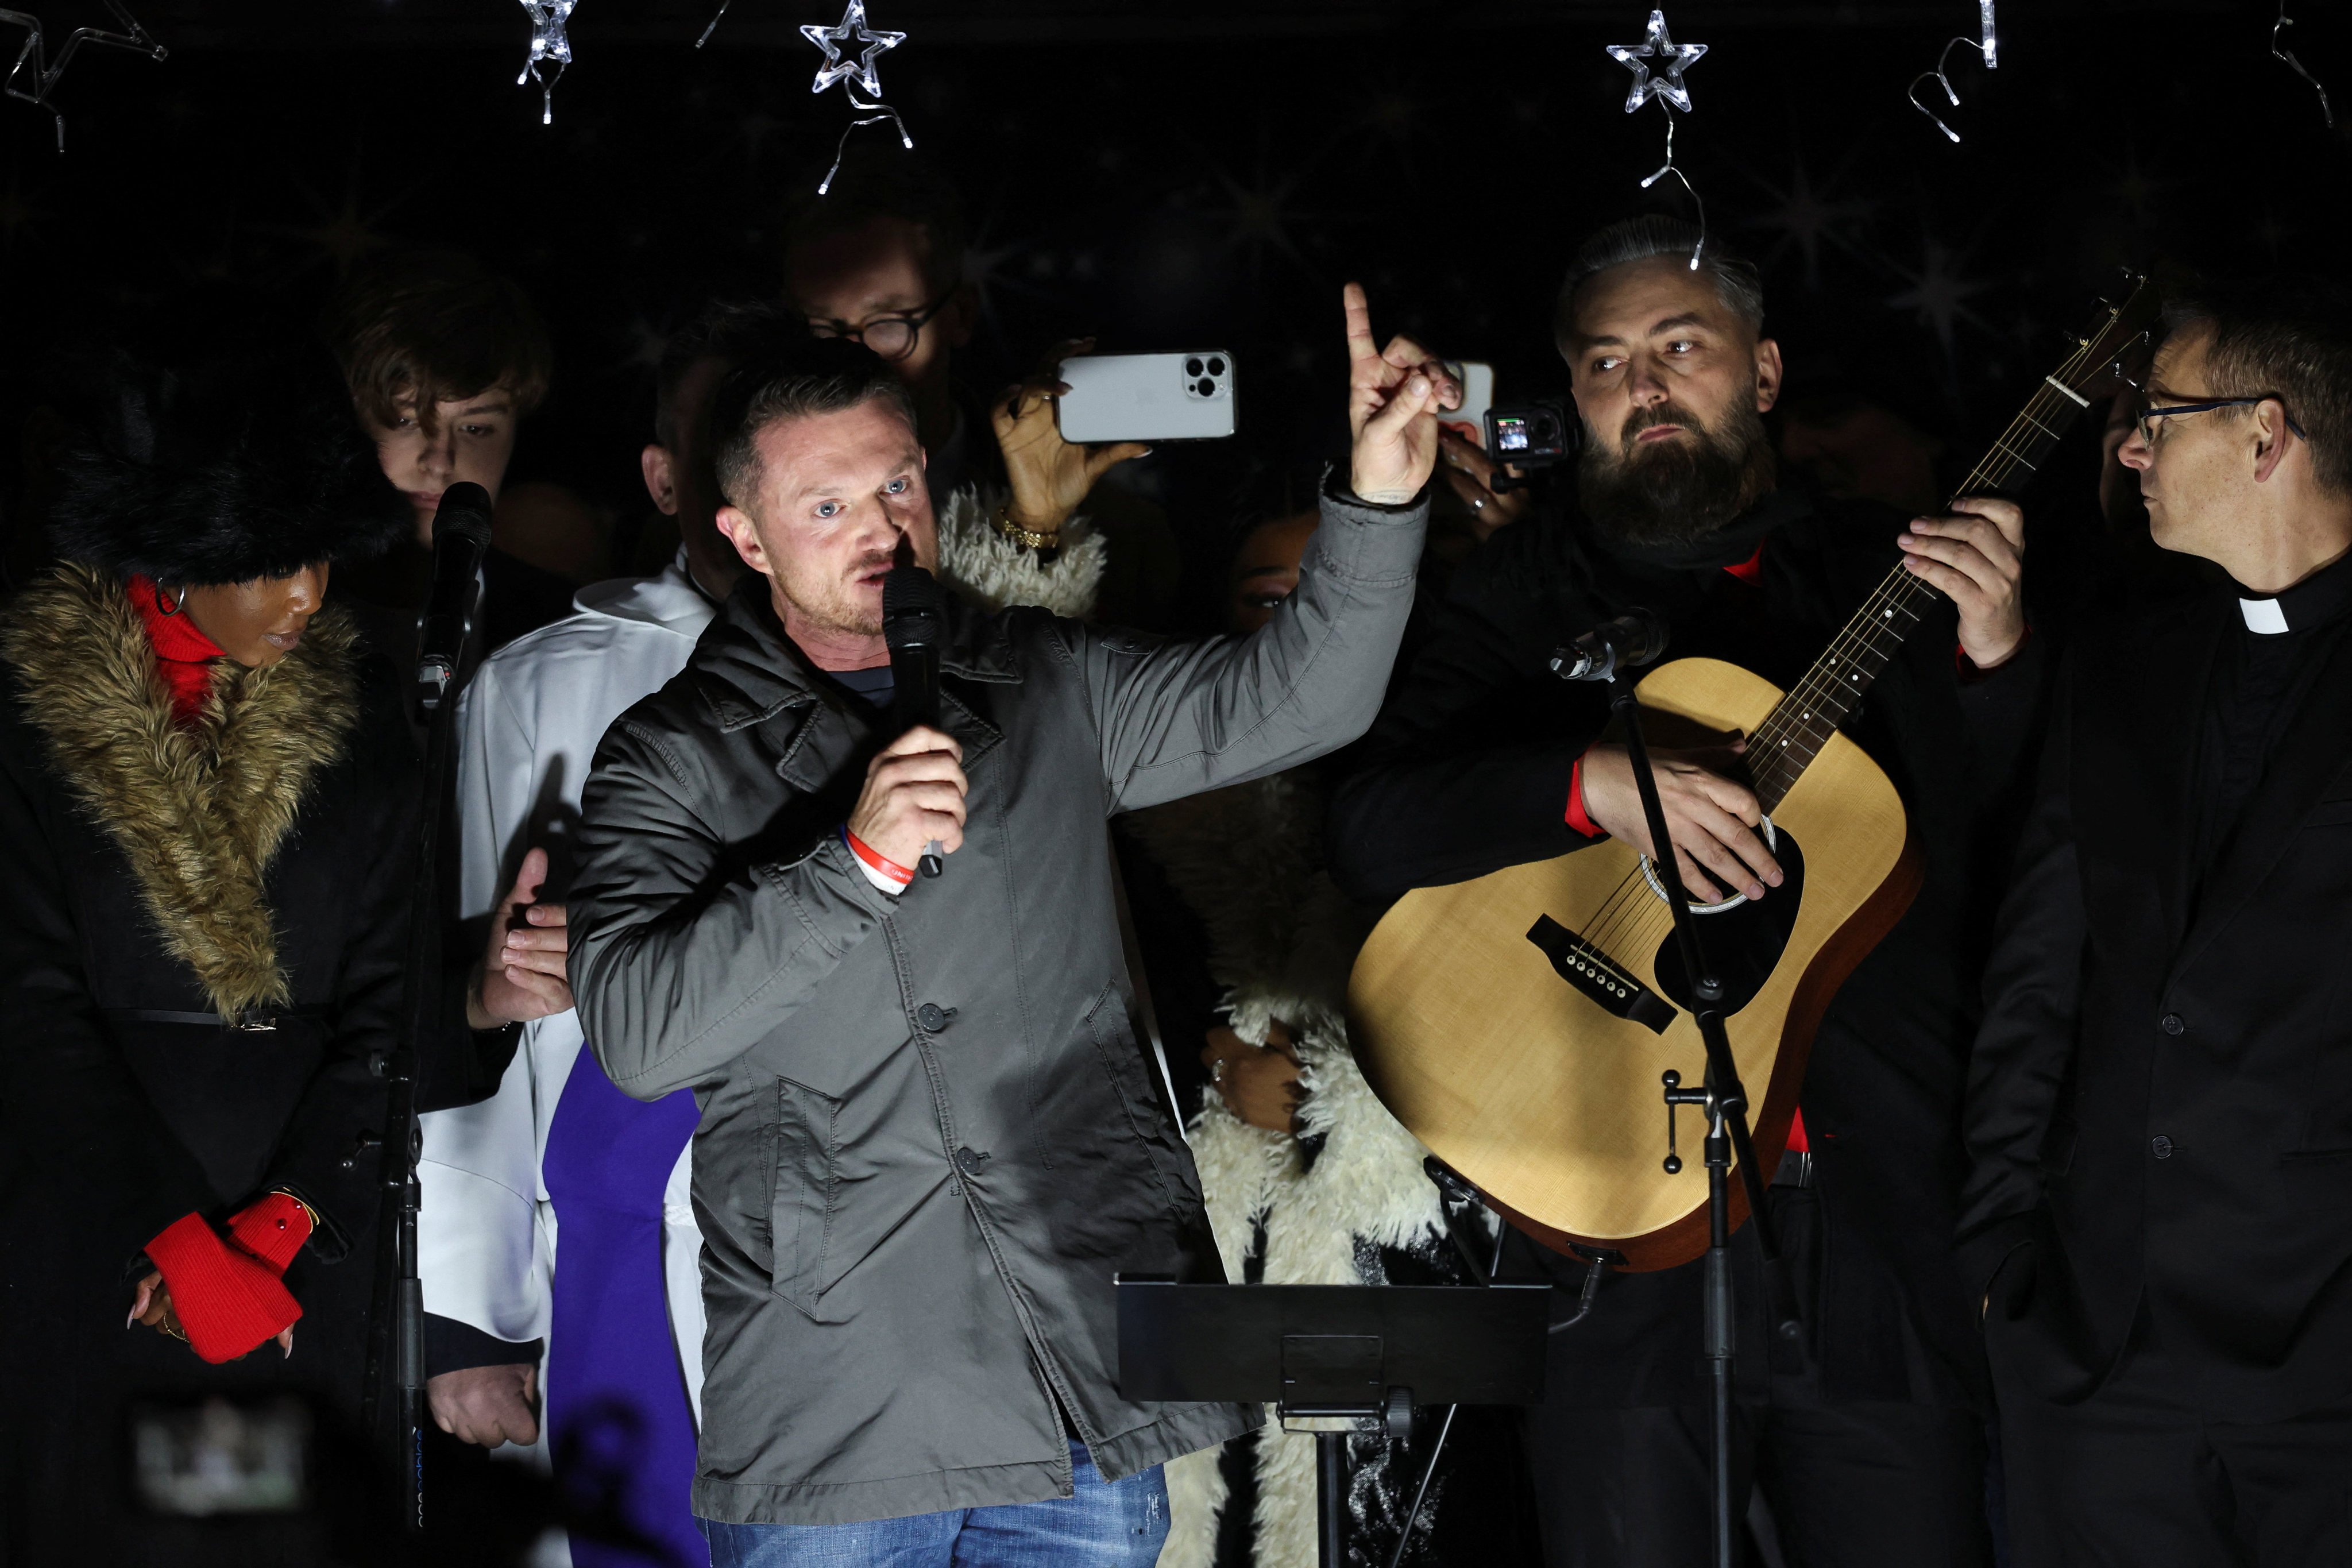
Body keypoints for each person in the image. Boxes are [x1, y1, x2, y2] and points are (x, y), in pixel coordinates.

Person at [565, 285, 1449, 1558]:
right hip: (843, 1394)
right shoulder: (670, 758)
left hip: (1071, 1372)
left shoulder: (1043, 681)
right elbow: (642, 1038)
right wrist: (850, 864)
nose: (879, 531)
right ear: (744, 537)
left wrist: (1373, 507)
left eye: (899, 489)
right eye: (826, 508)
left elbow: (1295, 701)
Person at [1326, 216, 2046, 1568]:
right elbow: (1366, 826)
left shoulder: (1890, 568)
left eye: (1679, 346)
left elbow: (2021, 855)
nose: (1644, 385)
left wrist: (1999, 667)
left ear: (1763, 375)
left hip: (1876, 1225)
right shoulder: (1510, 596)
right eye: (1606, 363)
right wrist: (1583, 782)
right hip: (1606, 1215)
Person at [416, 298, 1118, 1566]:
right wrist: (470, 1309)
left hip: (893, 1231)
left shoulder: (949, 651)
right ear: (689, 481)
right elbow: (482, 990)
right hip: (634, 1185)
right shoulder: (552, 678)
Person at [0, 326, 415, 1565]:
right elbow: (24, 1005)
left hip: (297, 1231)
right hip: (89, 1221)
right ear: (181, 551)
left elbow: (392, 1005)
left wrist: (278, 1227)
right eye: (278, 561)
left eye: (326, 558)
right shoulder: (22, 713)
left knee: (261, 1540)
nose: (310, 597)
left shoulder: (365, 718)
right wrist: (179, 1246)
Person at [1961, 277, 2352, 1566]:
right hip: (2093, 1356)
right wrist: (1999, 1256)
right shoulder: (2118, 659)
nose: (2128, 445)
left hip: (2325, 1370)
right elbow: (2037, 975)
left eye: (2159, 417)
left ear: (2263, 435)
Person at [1133, 507, 1539, 1568]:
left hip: (1424, 1282)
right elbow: (1104, 986)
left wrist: (1335, 1101)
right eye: (1269, 597)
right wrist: (1214, 1062)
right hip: (1207, 1270)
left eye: (1331, 596)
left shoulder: (1470, 788)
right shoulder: (1167, 796)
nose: (1301, 623)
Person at [782, 145, 1182, 629]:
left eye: (888, 324)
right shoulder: (757, 519)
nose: (854, 360)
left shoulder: (1119, 533)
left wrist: (1036, 532)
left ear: (960, 315)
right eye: (823, 329)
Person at [323, 247, 580, 662]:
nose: (439, 461)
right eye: (405, 420)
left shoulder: (567, 632)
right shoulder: (261, 614)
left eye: (475, 428)